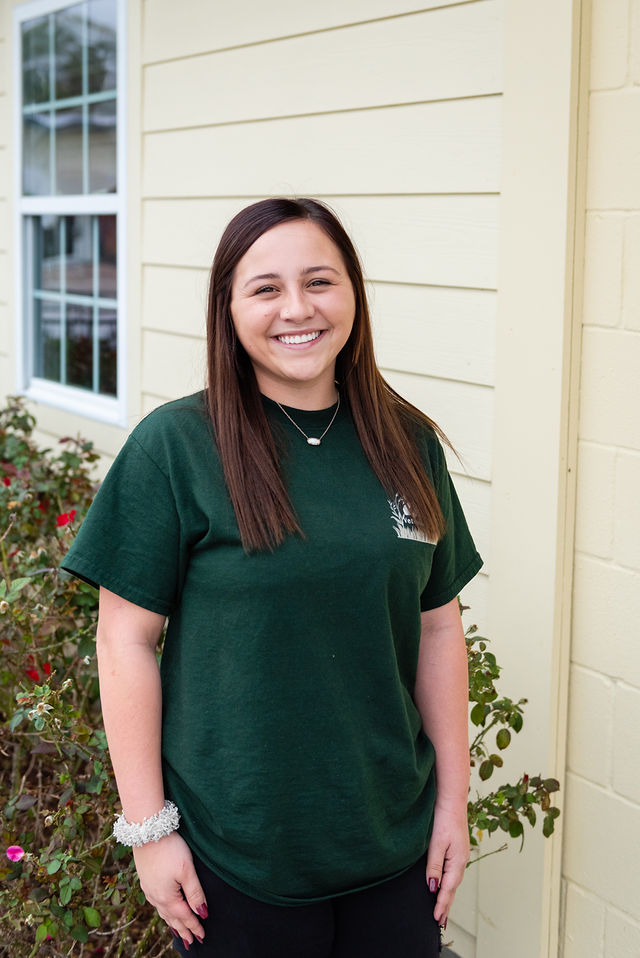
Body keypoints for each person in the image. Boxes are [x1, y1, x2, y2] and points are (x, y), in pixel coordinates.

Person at [62, 197, 482, 958]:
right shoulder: (176, 448)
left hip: (395, 846)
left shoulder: (406, 440)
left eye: (320, 281)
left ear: (353, 293)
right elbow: (124, 639)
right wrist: (149, 833)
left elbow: (437, 624)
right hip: (236, 857)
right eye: (265, 288)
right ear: (228, 308)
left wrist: (453, 803)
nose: (298, 308)